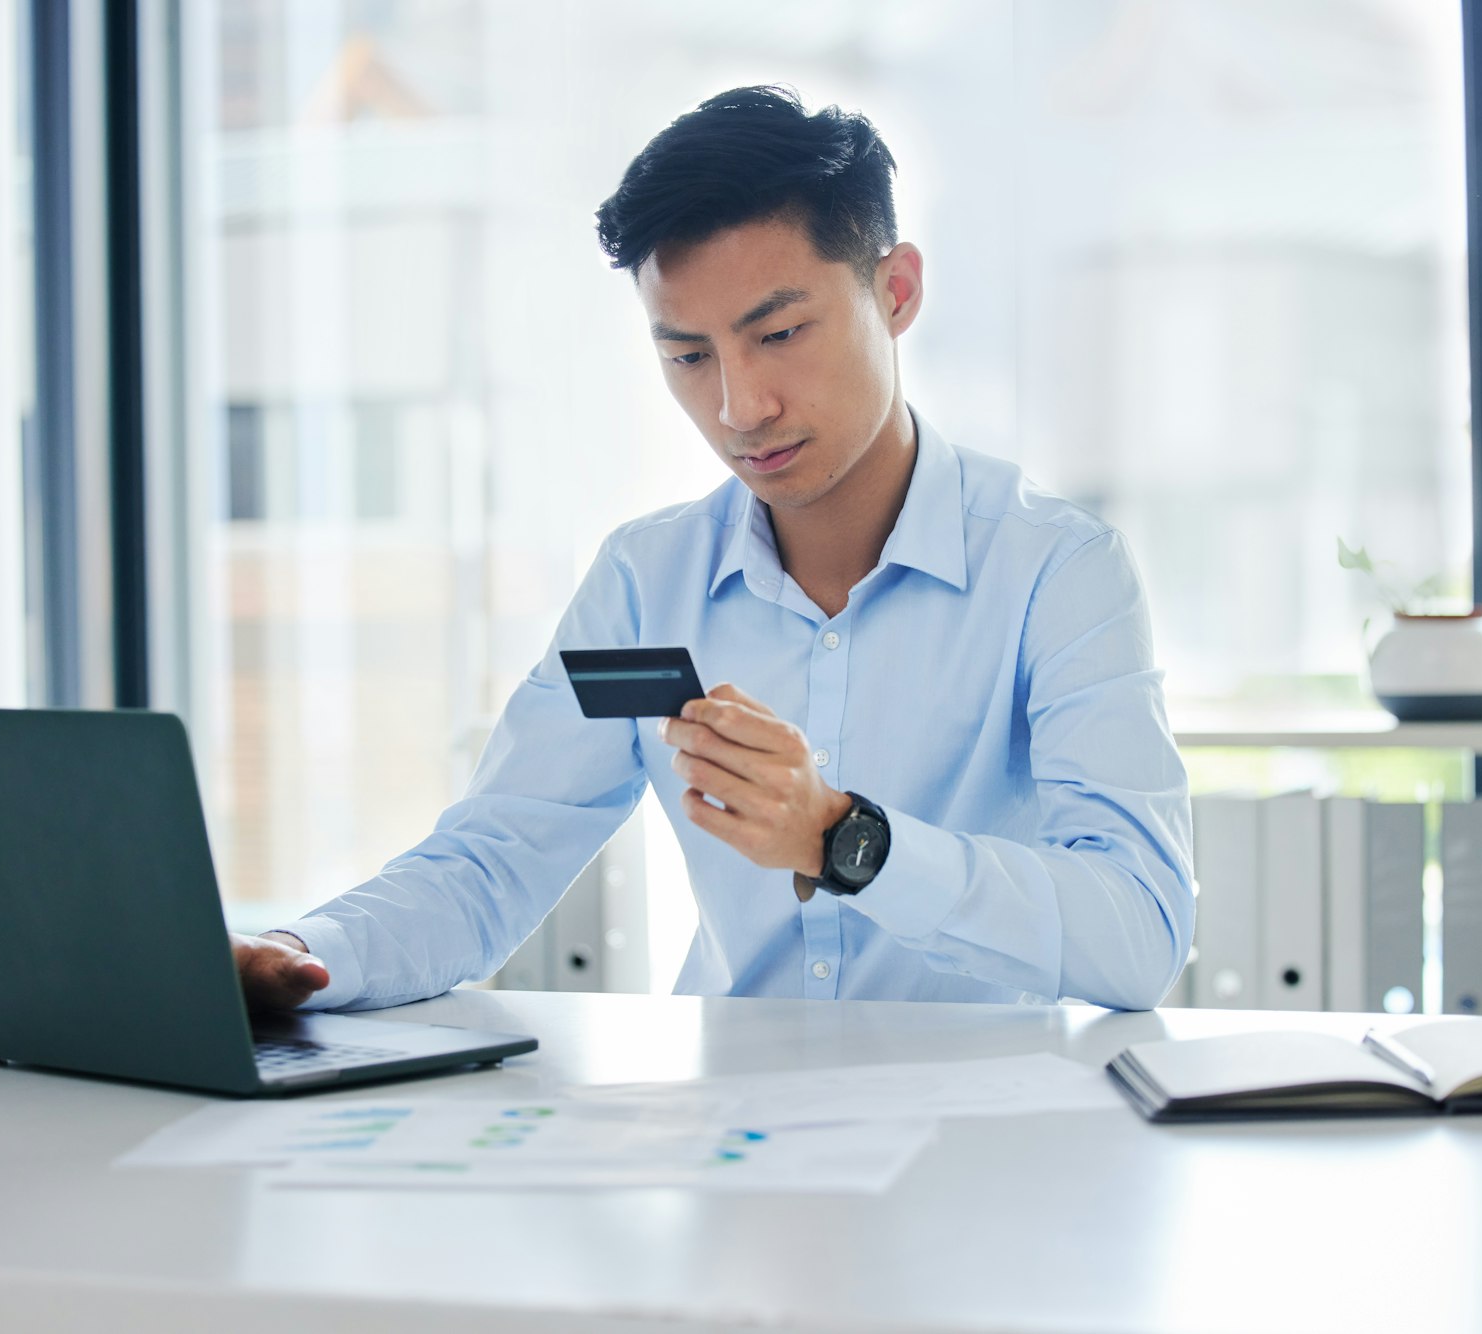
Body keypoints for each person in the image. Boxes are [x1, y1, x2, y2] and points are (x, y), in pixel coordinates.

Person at [231, 85, 1193, 1014]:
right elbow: (493, 864)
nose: (739, 408)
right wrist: (308, 954)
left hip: (989, 1142)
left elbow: (1139, 933)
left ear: (895, 291)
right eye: (688, 356)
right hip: (730, 1133)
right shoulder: (647, 582)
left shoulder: (1058, 571)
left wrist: (843, 837)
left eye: (778, 332)